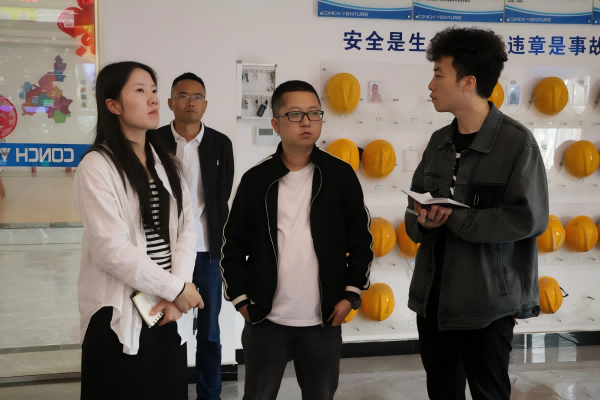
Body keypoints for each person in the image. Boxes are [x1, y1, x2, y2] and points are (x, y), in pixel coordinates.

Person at [405, 27, 549, 400]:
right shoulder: (439, 142)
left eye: (439, 75)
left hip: (488, 307)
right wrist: (423, 221)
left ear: (468, 82)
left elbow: (529, 218)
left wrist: (456, 218)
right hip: (433, 302)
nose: (431, 85)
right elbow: (413, 210)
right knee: (442, 392)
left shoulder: (517, 144)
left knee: (490, 393)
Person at [221, 80, 373, 400]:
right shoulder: (256, 180)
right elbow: (231, 249)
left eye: (314, 113)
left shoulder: (340, 176)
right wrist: (241, 300)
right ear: (276, 124)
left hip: (323, 322)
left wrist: (350, 295)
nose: (306, 121)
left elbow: (362, 243)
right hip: (265, 321)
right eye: (295, 114)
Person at [74, 61, 204, 400]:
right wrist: (176, 288)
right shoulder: (97, 166)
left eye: (154, 90)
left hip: (166, 309)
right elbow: (111, 250)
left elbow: (187, 230)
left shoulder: (167, 162)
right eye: (140, 90)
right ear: (113, 105)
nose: (153, 98)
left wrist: (177, 293)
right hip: (120, 313)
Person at [149, 72, 234, 400]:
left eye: (197, 97)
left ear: (205, 104)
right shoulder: (153, 141)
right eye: (183, 96)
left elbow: (222, 197)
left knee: (209, 331)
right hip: (162, 252)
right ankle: (165, 390)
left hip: (207, 252)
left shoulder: (220, 144)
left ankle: (209, 395)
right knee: (161, 322)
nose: (190, 102)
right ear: (170, 102)